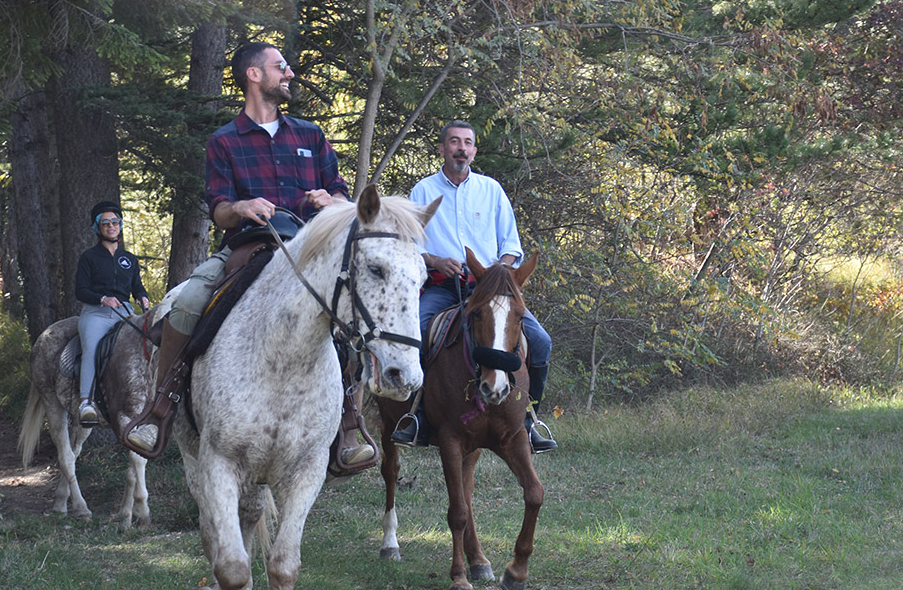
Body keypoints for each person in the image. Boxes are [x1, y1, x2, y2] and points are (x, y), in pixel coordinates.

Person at [128, 41, 376, 468]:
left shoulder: (310, 135)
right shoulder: (224, 141)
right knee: (187, 303)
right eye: (281, 67)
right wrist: (241, 207)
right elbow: (220, 210)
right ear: (254, 75)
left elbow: (340, 193)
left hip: (307, 252)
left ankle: (348, 426)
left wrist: (332, 200)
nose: (290, 74)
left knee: (350, 311)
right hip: (247, 249)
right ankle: (160, 408)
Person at [390, 120, 557, 453]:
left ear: (474, 151)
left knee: (540, 341)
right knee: (418, 335)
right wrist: (435, 260)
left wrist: (499, 272)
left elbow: (512, 247)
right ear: (442, 148)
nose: (461, 148)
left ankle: (529, 419)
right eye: (454, 141)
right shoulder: (422, 192)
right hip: (442, 287)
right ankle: (417, 417)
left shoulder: (491, 190)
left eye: (467, 142)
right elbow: (408, 245)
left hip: (490, 291)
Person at [74, 201, 151, 428]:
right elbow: (81, 290)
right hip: (96, 314)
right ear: (98, 228)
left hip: (125, 313)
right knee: (92, 350)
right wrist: (102, 298)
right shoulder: (89, 257)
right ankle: (85, 402)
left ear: (120, 225)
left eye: (115, 222)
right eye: (105, 223)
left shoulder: (129, 259)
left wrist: (143, 296)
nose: (111, 226)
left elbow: (136, 286)